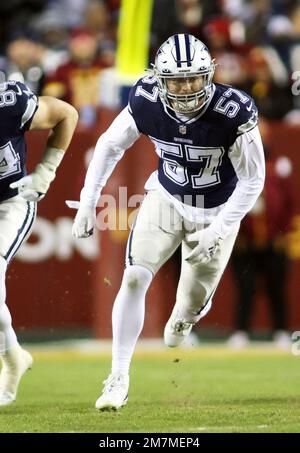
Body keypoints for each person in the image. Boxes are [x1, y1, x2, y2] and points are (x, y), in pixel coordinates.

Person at [71, 34, 265, 410]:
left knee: (190, 304)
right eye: (177, 80)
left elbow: (253, 180)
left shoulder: (233, 111)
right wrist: (87, 201)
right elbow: (110, 145)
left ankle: (185, 317)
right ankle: (118, 377)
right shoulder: (145, 100)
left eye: (194, 78)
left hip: (216, 210)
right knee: (133, 275)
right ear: (160, 79)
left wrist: (220, 229)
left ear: (208, 74)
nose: (187, 87)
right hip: (168, 198)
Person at [0, 79, 78, 406]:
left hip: (10, 203)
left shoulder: (9, 102)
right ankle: (13, 354)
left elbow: (66, 114)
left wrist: (46, 171)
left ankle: (11, 355)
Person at [228, 152, 294, 349]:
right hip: (244, 245)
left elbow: (288, 206)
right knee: (245, 289)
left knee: (277, 289)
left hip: (273, 243)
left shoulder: (276, 175)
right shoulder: (235, 174)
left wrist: (284, 234)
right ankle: (241, 331)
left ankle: (281, 331)